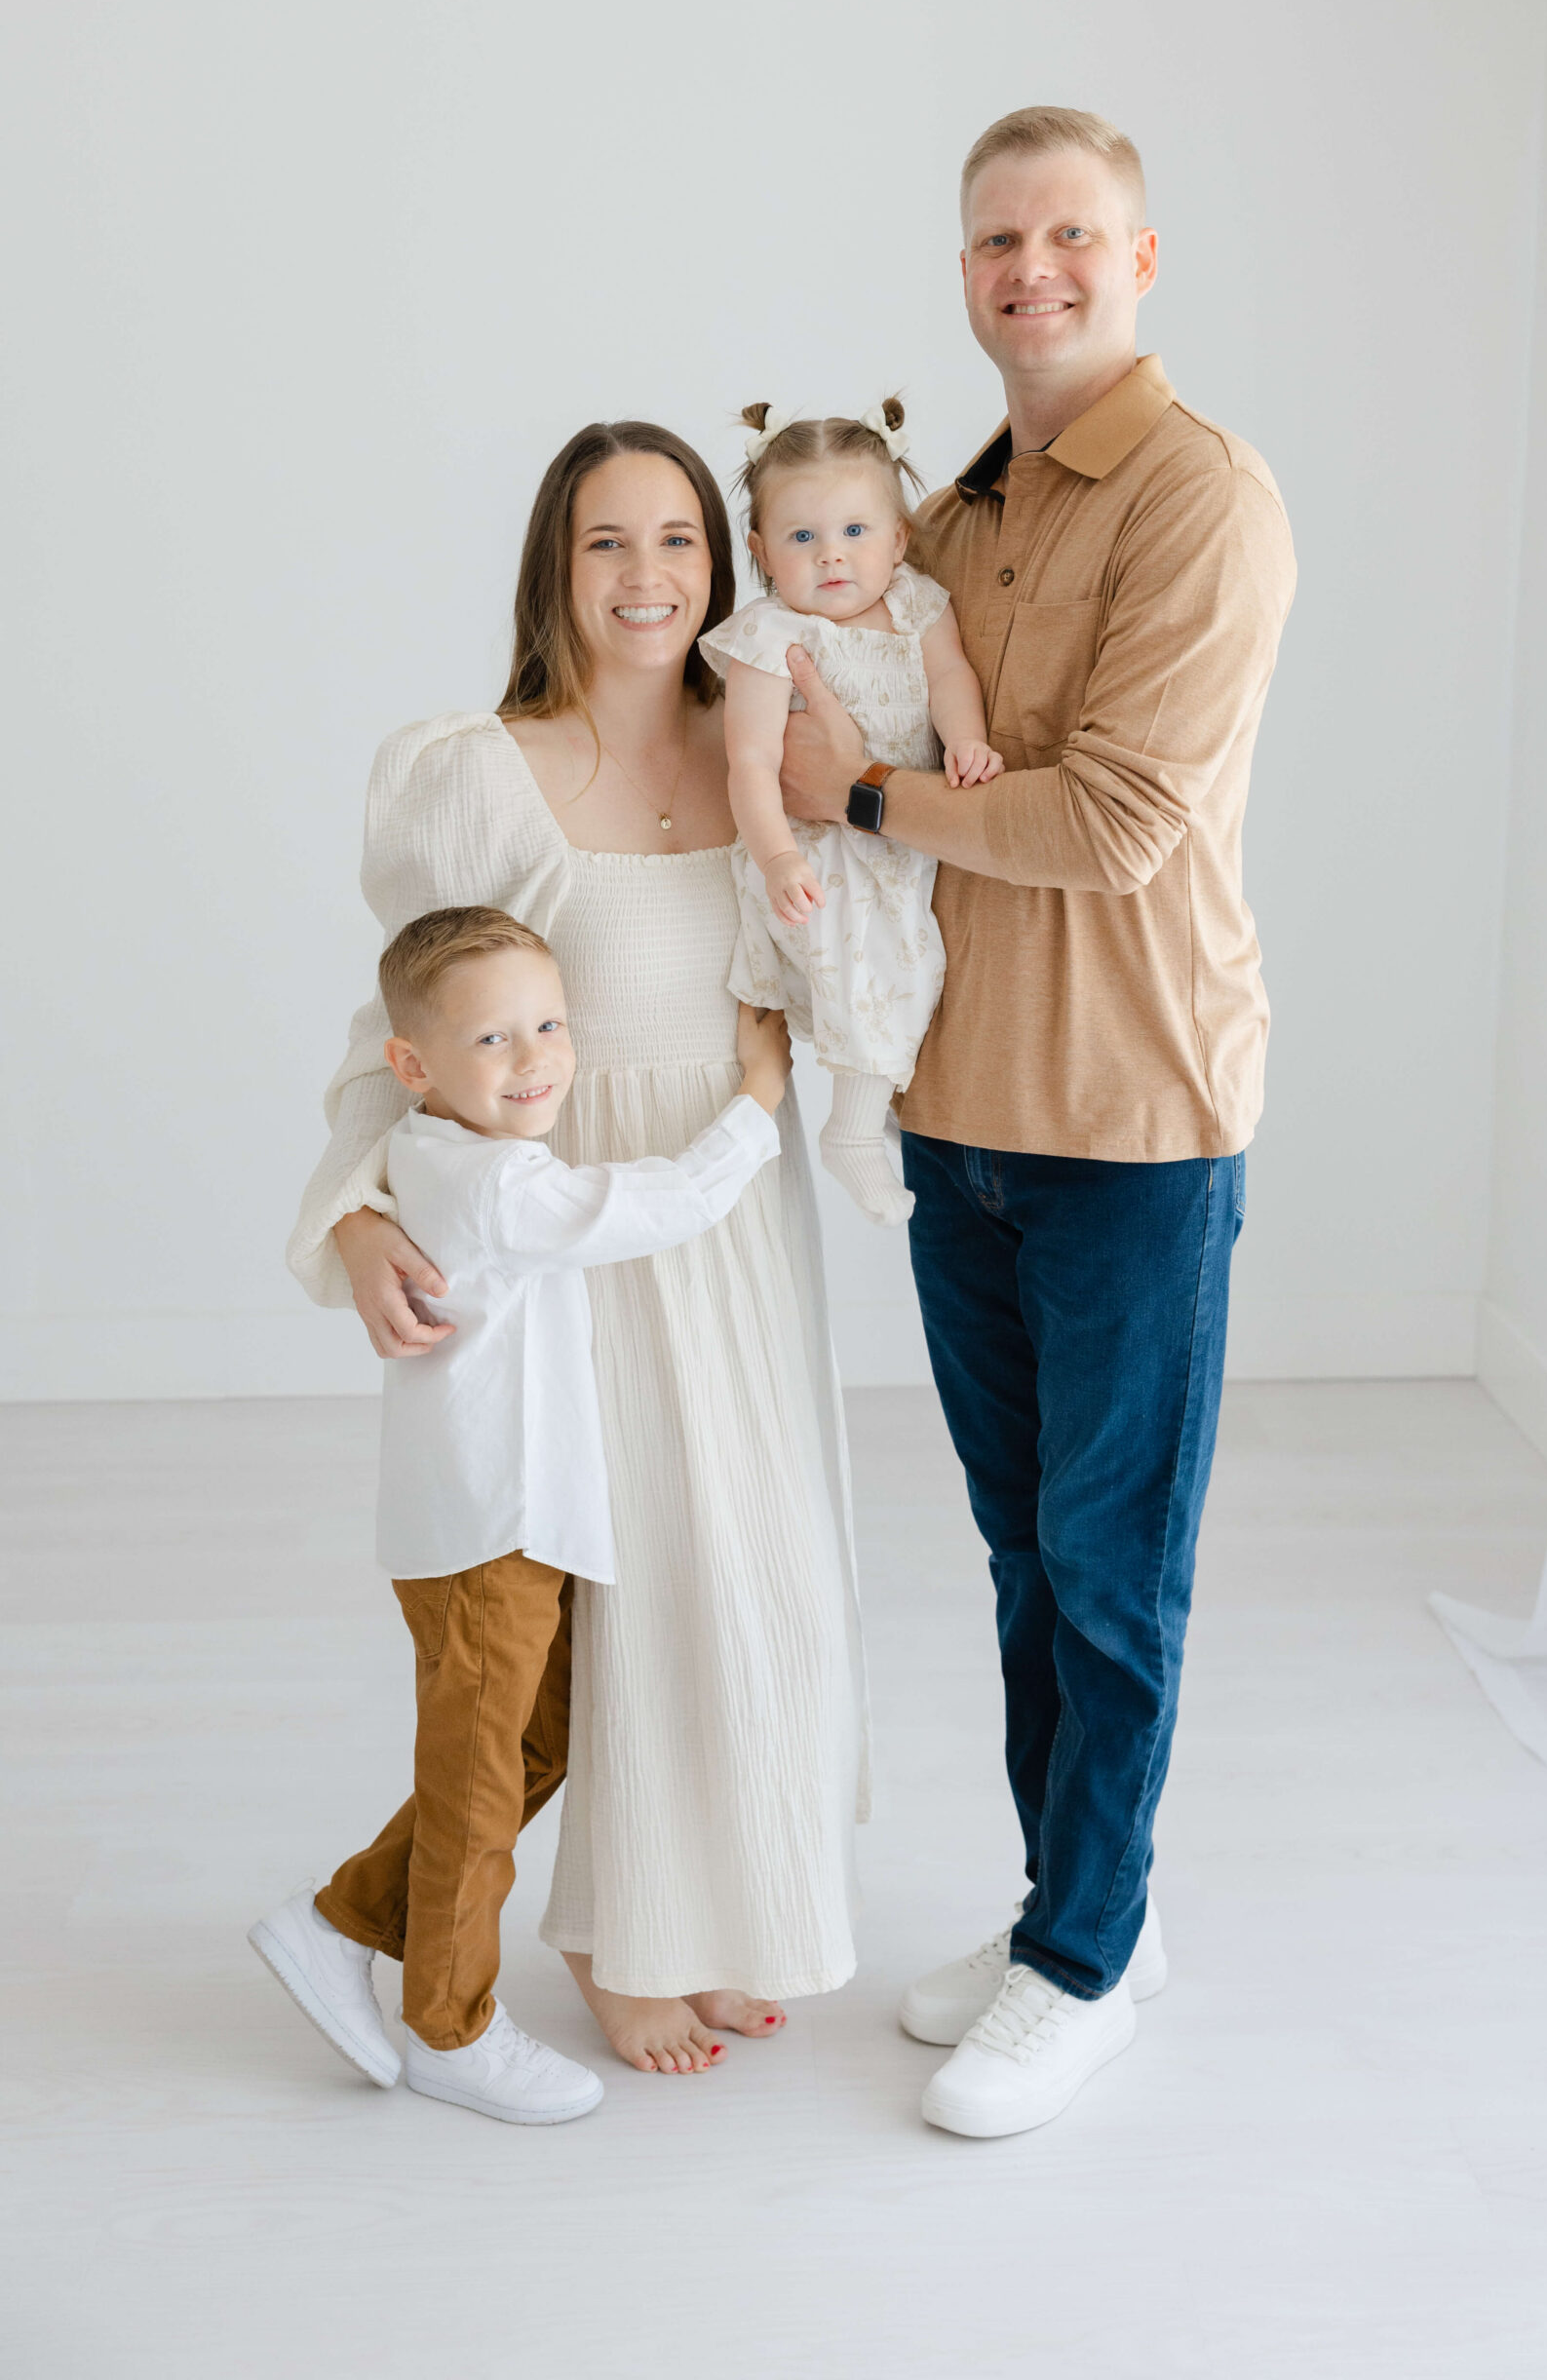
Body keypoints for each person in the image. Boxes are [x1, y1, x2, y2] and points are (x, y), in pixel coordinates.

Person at [778, 105, 1297, 2137]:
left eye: (1070, 235)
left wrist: (864, 802)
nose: (1031, 271)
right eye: (998, 240)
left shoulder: (1198, 495)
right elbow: (826, 675)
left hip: (1130, 1111)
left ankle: (1085, 1960)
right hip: (957, 1108)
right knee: (1016, 1557)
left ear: (1141, 254)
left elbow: (1106, 816)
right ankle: (1073, 1909)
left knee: (1106, 1568)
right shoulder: (956, 511)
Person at [286, 423, 866, 2079]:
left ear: (720, 561)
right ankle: (619, 1940)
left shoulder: (768, 743)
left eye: (678, 540)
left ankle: (734, 1900)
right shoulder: (478, 768)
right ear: (557, 564)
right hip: (578, 1231)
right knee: (631, 1597)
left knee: (763, 1578)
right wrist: (355, 1206)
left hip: (735, 1214)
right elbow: (395, 1021)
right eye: (607, 542)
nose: (646, 578)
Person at [251, 907, 790, 2123]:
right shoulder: (491, 1179)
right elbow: (645, 1208)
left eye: (550, 1024)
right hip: (488, 1533)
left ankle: (340, 1921)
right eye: (492, 1038)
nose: (536, 1057)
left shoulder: (439, 1149)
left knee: (528, 1751)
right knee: (485, 1785)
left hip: (515, 1529)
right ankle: (450, 2024)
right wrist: (755, 1105)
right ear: (414, 1066)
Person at [702, 397, 1000, 1226]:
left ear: (898, 539)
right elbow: (751, 763)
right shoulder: (770, 636)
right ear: (760, 551)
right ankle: (853, 1132)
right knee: (878, 976)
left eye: (855, 533)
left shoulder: (918, 604)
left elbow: (949, 681)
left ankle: (882, 1114)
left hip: (900, 840)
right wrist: (777, 859)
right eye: (801, 538)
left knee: (921, 976)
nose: (831, 557)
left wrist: (966, 740)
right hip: (818, 854)